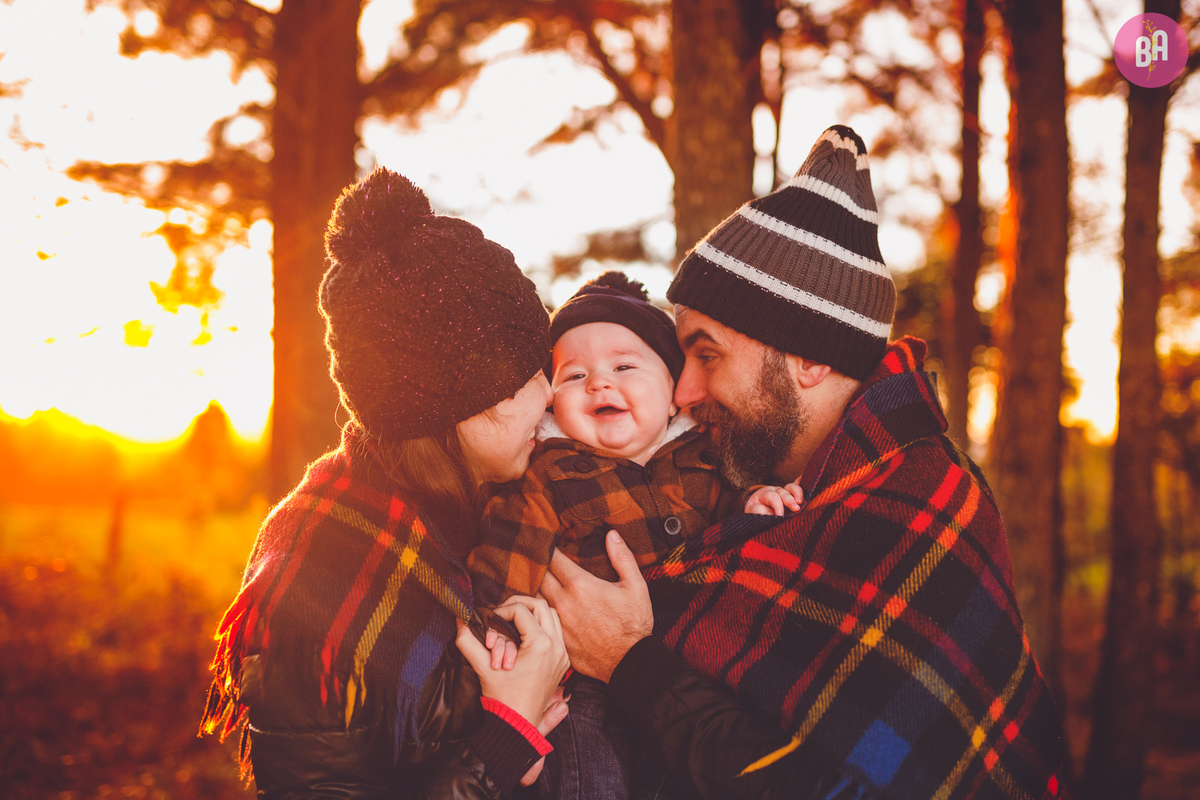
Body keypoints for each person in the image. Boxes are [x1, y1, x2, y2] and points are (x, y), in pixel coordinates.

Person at [542, 125, 1071, 799]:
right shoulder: (768, 499)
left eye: (707, 355)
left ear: (810, 357)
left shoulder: (918, 505)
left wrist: (630, 663)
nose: (683, 394)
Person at [199, 167, 571, 799]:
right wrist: (501, 746)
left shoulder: (496, 511)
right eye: (521, 378)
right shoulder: (318, 590)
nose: (549, 393)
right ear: (443, 411)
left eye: (543, 365)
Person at [469, 271, 795, 800]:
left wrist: (754, 501)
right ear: (552, 405)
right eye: (574, 376)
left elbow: (729, 510)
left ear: (673, 394)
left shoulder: (707, 456)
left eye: (624, 366)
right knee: (588, 775)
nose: (599, 383)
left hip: (690, 666)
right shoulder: (548, 472)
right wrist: (504, 637)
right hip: (584, 691)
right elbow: (509, 557)